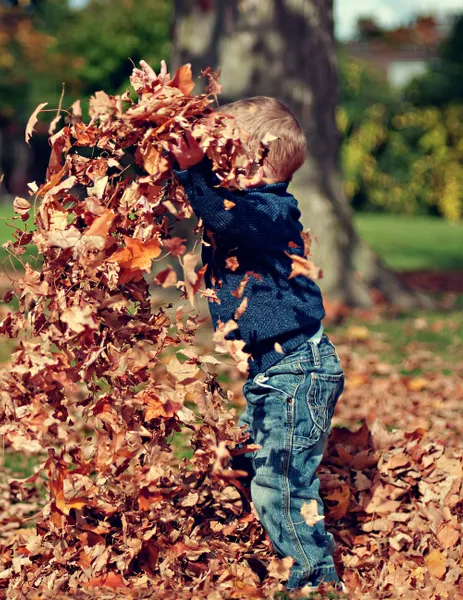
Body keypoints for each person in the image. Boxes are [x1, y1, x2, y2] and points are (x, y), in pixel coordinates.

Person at [169, 92, 345, 590]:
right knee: (247, 459)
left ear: (256, 160)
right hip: (274, 372)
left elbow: (224, 216)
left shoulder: (269, 211)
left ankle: (315, 578)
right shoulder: (249, 205)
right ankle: (265, 543)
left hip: (297, 371)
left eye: (226, 154)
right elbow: (217, 210)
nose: (216, 163)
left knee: (282, 485)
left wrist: (192, 173)